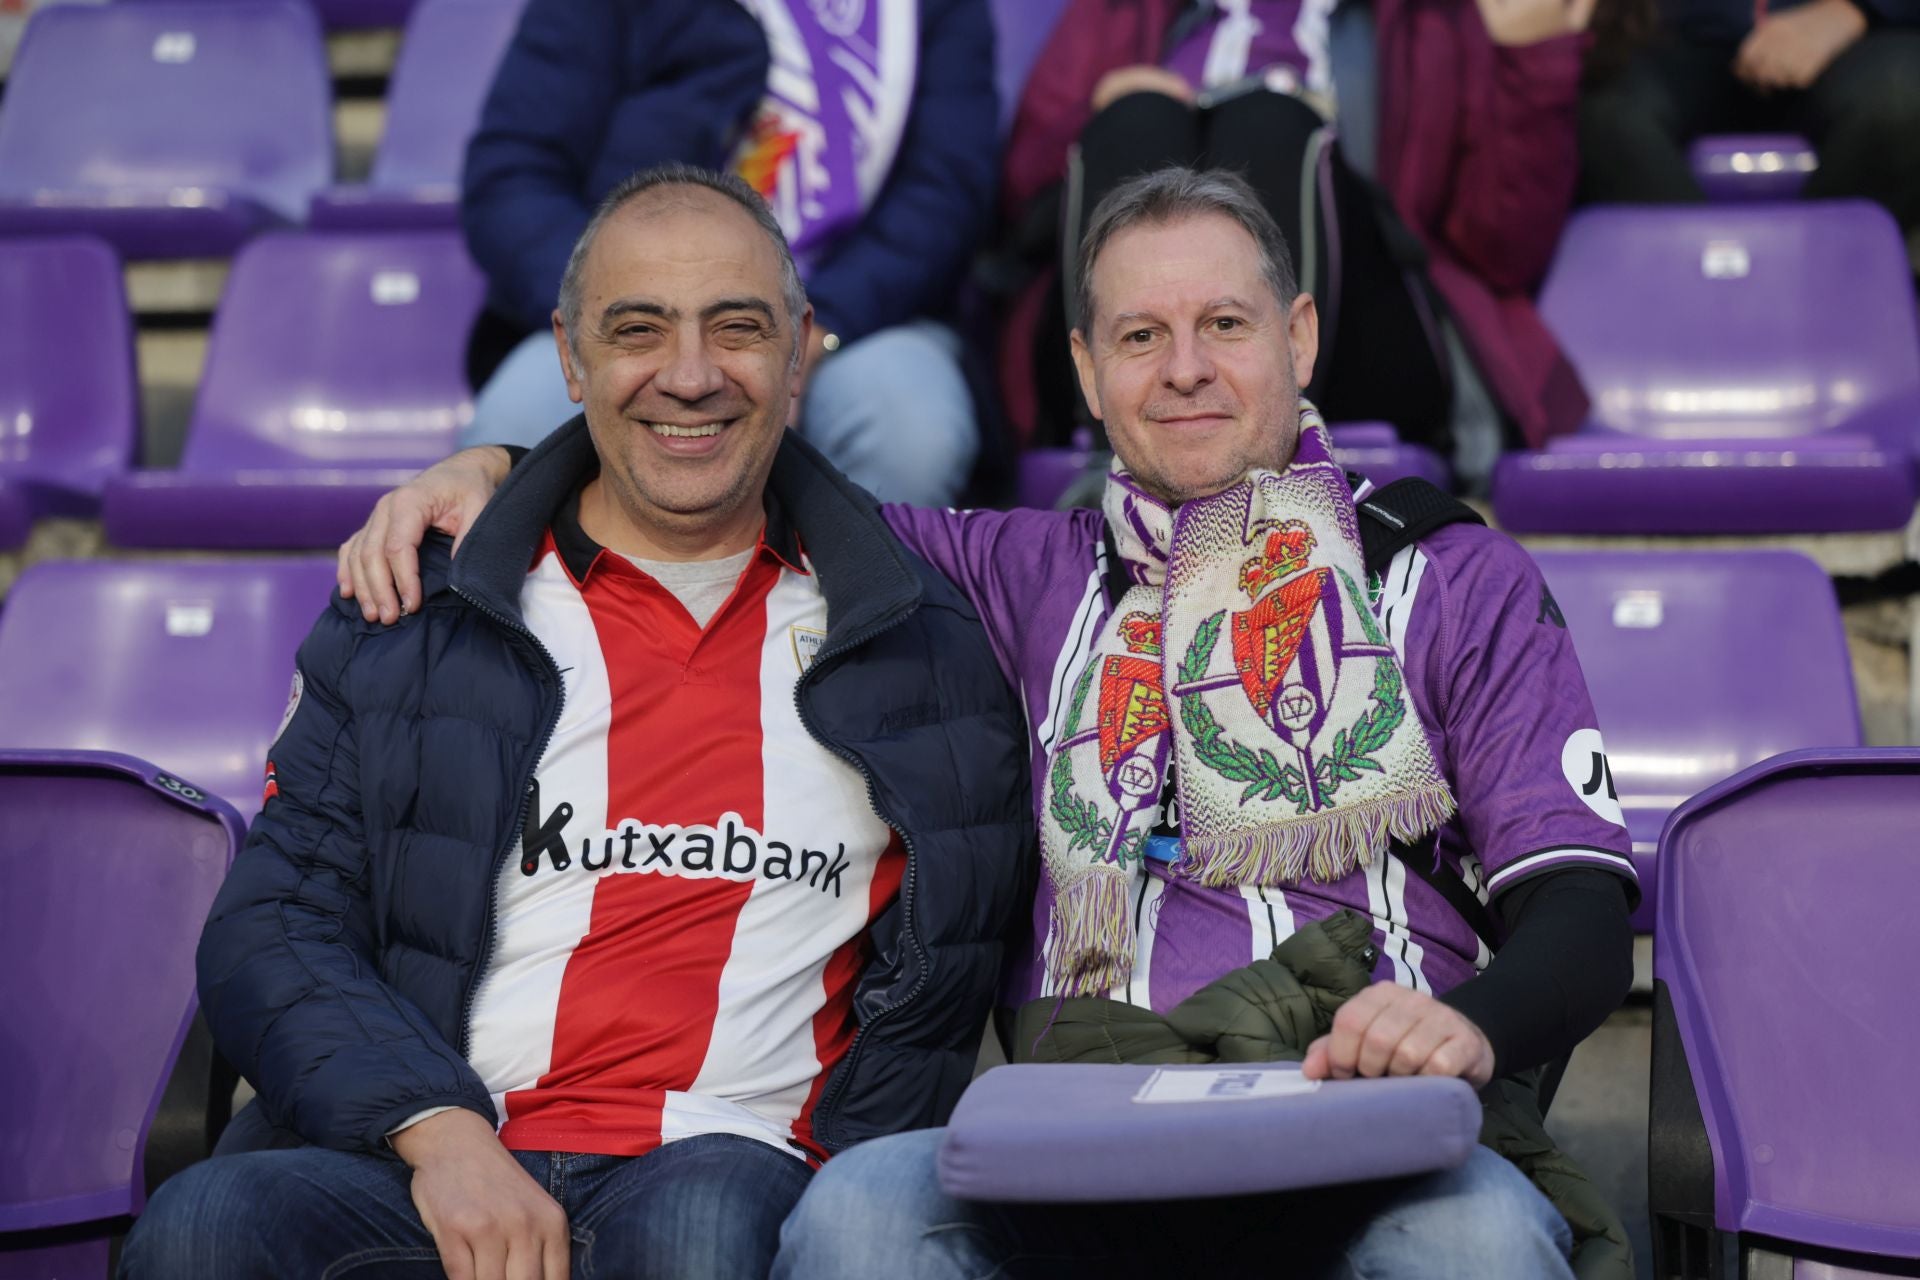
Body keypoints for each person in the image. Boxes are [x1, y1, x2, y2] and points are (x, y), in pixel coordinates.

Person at [342, 166, 1639, 1279]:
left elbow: (1580, 902)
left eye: (1224, 324)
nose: (1184, 369)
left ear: (1299, 338)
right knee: (858, 1218)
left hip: (1368, 1114)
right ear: (1084, 368)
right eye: (1138, 337)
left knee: (1470, 1251)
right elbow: (704, 464)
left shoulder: (1454, 575)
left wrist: (1470, 1030)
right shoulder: (1012, 573)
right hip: (1079, 1131)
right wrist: (512, 471)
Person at [119, 164, 1032, 1280]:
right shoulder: (418, 604)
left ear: (801, 354)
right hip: (429, 1154)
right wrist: (436, 1129)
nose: (689, 376)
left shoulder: (928, 626)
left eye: (736, 328)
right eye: (637, 329)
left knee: (699, 1236)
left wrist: (842, 1150)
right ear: (570, 356)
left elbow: (936, 989)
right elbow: (272, 928)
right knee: (205, 1226)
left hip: (732, 1158)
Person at [993, 0, 1603, 487]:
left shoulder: (1429, 18)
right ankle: (1125, 467)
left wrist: (1530, 59)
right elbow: (1021, 191)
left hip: (1361, 331)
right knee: (1136, 115)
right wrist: (1098, 113)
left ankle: (1276, 467)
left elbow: (1503, 245)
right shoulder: (1121, 10)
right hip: (1139, 321)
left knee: (1271, 122)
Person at [458, 0, 998, 506]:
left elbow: (945, 193)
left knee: (908, 431)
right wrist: (622, 316)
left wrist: (810, 332)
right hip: (626, 307)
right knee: (522, 419)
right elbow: (513, 178)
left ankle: (866, 608)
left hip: (859, 317)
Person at [1579, 0, 1920, 245]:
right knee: (1600, 107)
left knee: (1902, 99)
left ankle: (1816, 289)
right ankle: (1705, 286)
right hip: (1671, 36)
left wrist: (1856, 10)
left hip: (1863, 36)